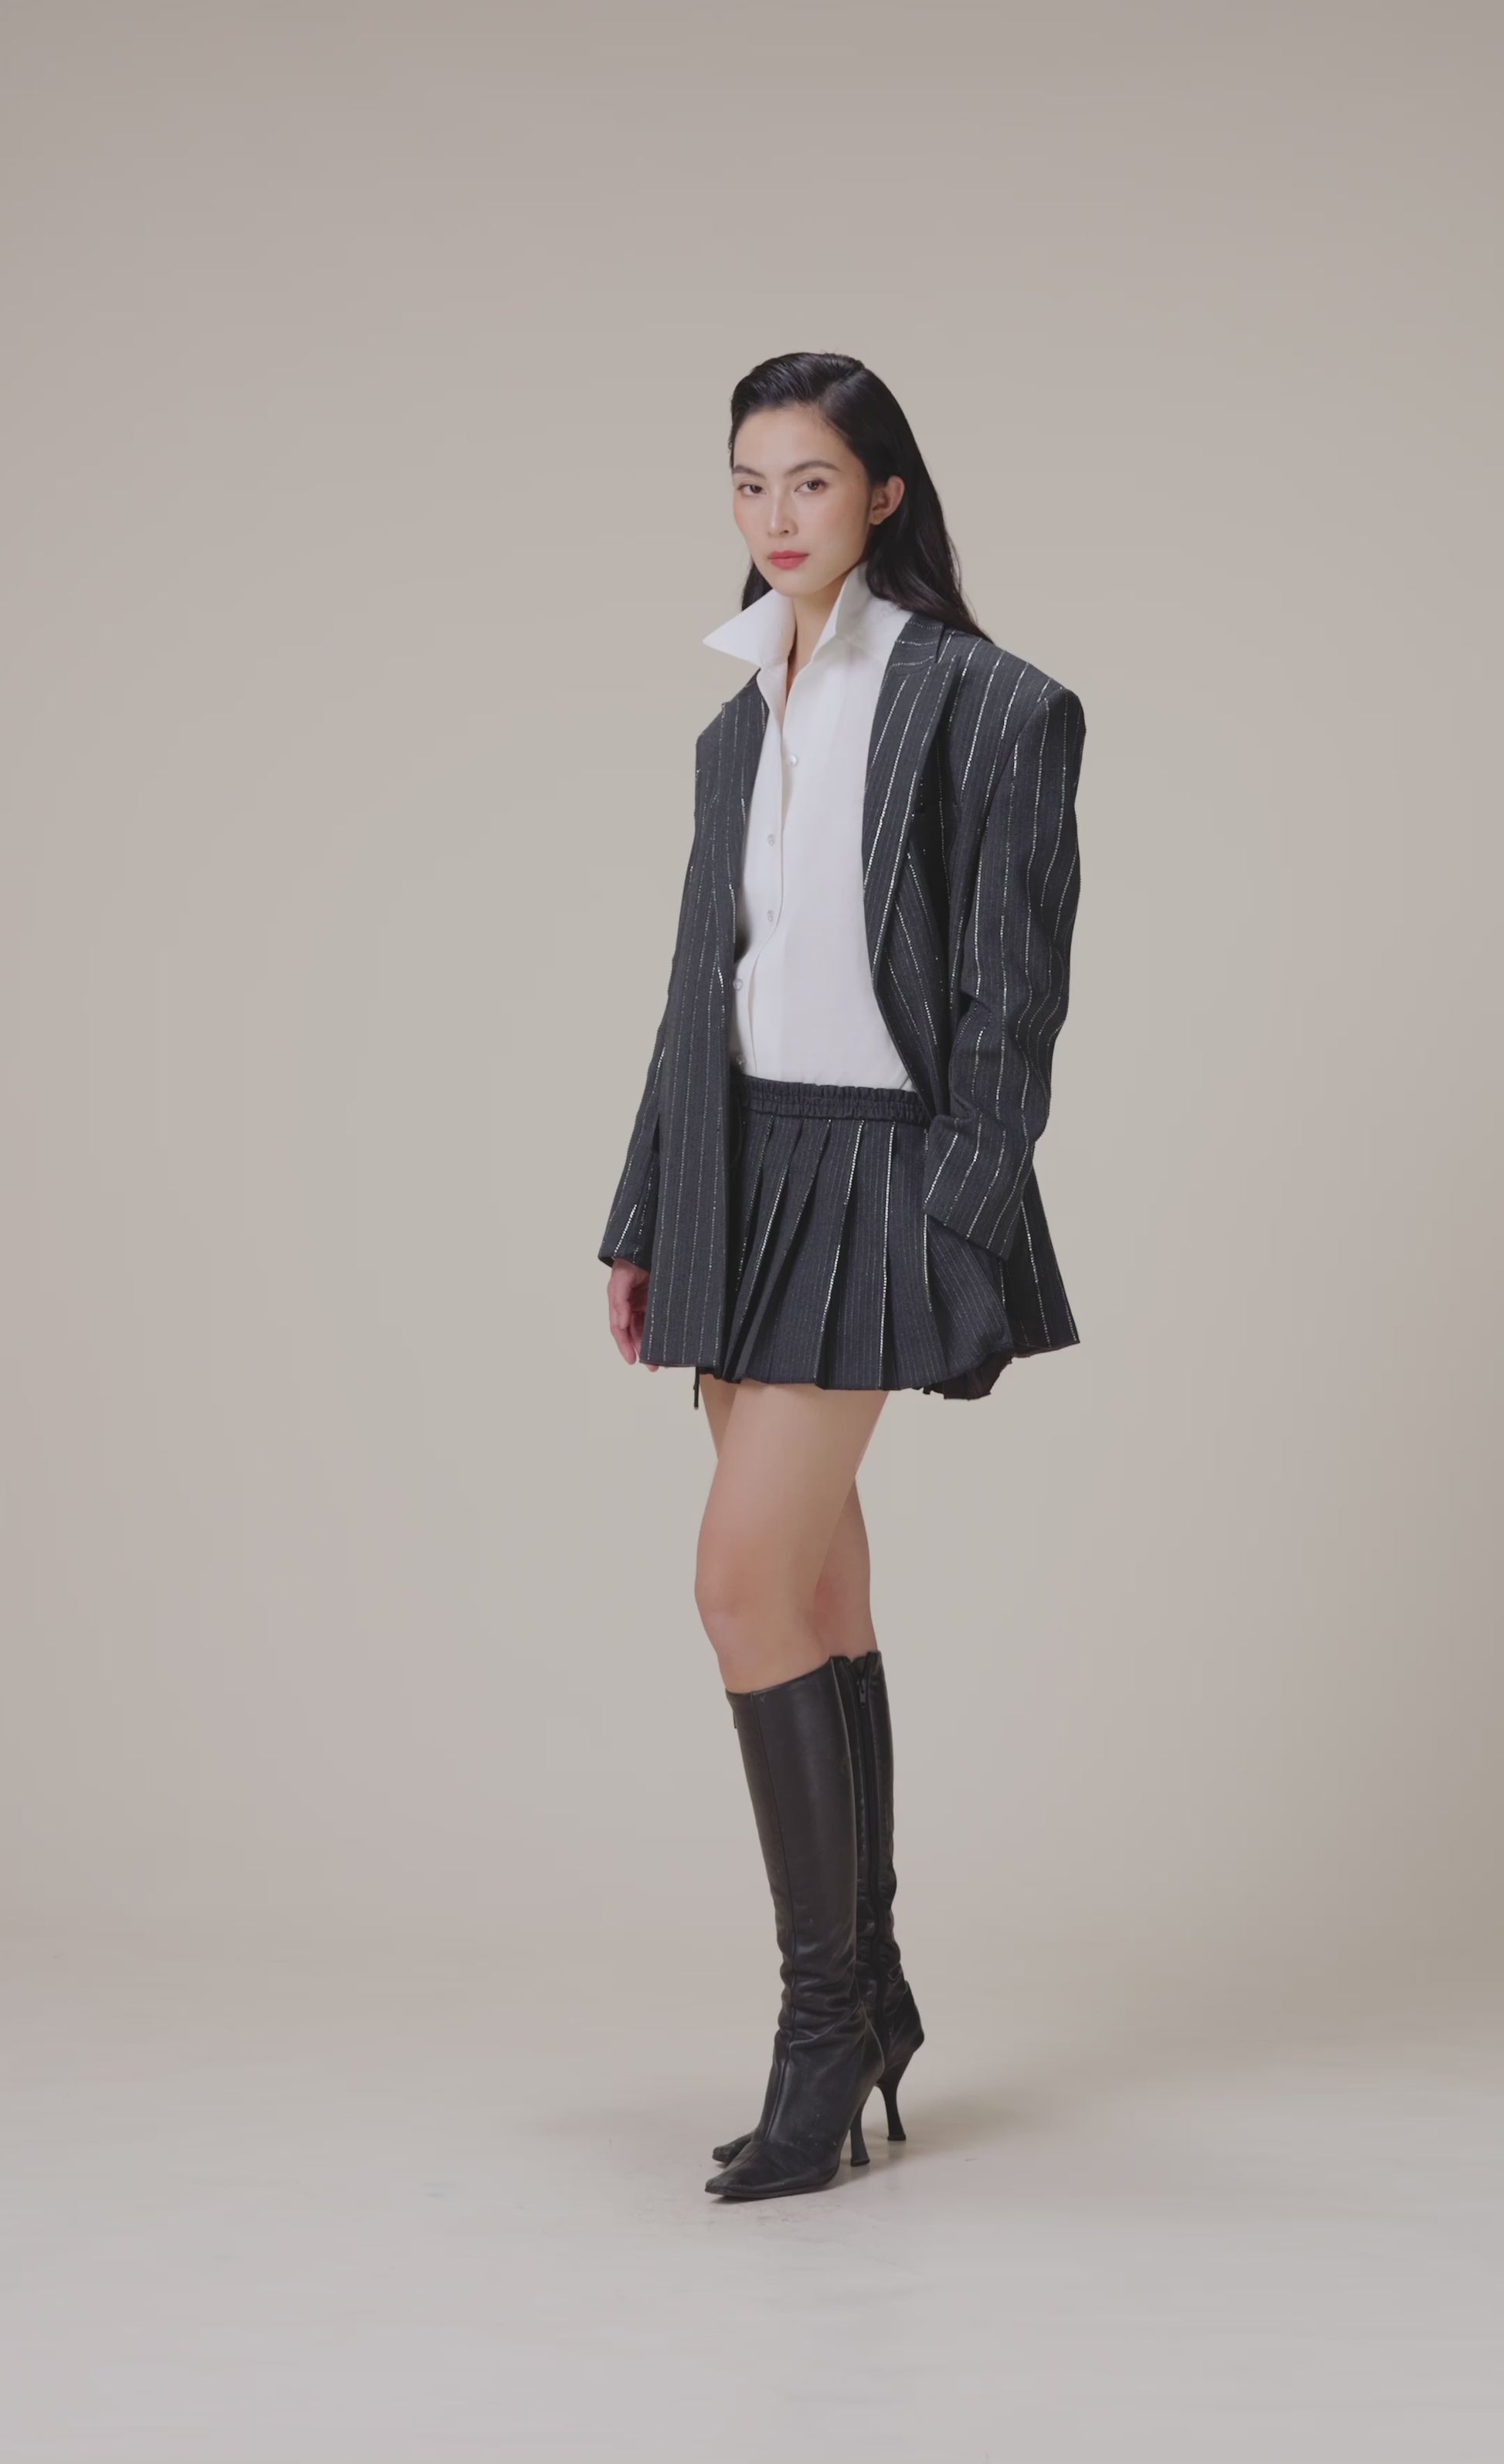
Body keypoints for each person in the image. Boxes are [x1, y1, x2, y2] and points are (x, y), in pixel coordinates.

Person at [597, 352, 1087, 2202]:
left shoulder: (991, 702)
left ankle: (819, 2028)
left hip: (881, 1170)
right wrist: (647, 1211)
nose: (774, 514)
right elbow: (696, 995)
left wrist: (955, 1208)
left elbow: (1012, 992)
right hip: (739, 1170)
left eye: (807, 479)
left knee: (737, 1581)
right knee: (808, 1586)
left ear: (881, 490)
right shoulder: (735, 720)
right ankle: (871, 1996)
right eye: (748, 482)